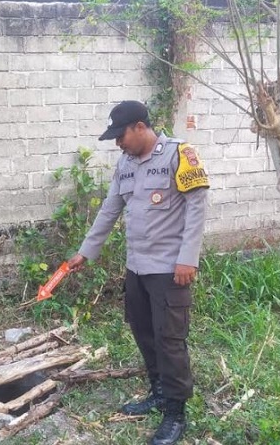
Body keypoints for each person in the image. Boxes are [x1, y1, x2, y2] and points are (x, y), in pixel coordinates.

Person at [67, 100, 209, 445]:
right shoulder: (126, 164)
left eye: (121, 135)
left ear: (140, 127)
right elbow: (109, 210)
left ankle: (176, 412)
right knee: (144, 332)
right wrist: (86, 251)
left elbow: (197, 206)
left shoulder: (180, 154)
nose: (118, 143)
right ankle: (158, 391)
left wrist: (188, 259)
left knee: (170, 339)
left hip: (170, 269)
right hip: (137, 267)